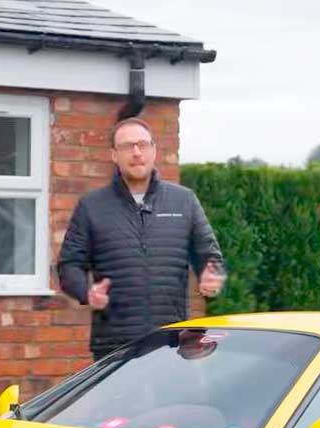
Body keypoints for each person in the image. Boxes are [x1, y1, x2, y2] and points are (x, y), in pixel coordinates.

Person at [58, 116, 226, 360]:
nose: (136, 152)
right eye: (128, 146)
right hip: (114, 348)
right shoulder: (91, 206)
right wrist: (86, 291)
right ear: (114, 155)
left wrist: (211, 274)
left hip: (170, 343)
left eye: (142, 144)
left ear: (153, 150)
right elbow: (68, 265)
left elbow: (210, 255)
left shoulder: (183, 200)